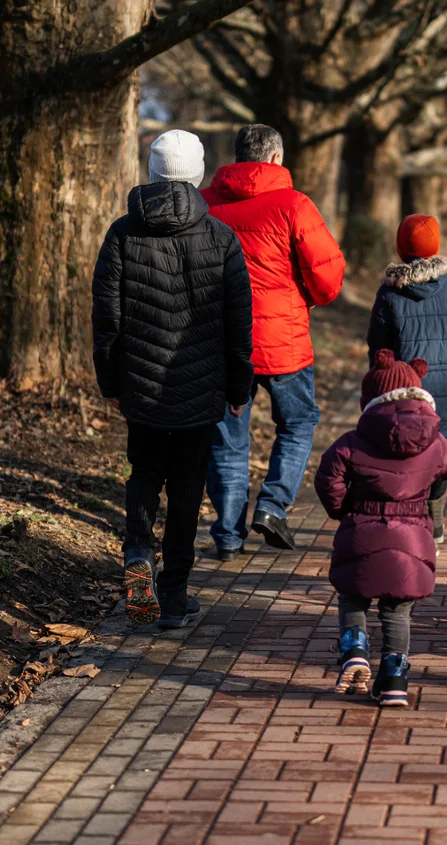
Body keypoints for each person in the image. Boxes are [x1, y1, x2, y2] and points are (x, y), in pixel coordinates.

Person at [92, 130, 254, 629]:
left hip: (141, 383)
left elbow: (107, 316)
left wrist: (111, 381)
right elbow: (238, 322)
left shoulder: (122, 232)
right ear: (199, 173)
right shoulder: (221, 237)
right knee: (186, 488)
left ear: (153, 169)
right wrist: (238, 387)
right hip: (202, 388)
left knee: (144, 474)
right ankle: (175, 594)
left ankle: (139, 553)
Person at [201, 124, 346, 559]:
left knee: (227, 440)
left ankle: (227, 536)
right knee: (299, 423)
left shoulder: (205, 205)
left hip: (223, 344)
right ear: (277, 159)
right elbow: (328, 274)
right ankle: (272, 505)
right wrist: (311, 297)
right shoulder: (294, 205)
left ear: (238, 157)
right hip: (283, 341)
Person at [314, 350, 447, 706]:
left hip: (362, 528)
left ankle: (354, 648)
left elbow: (329, 477)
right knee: (397, 610)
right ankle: (394, 680)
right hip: (413, 537)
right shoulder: (434, 442)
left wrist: (344, 511)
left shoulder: (353, 441)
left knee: (353, 595)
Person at [366, 213, 447, 543]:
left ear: (401, 248)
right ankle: (435, 503)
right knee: (440, 448)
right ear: (436, 247)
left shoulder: (389, 294)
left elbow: (378, 347)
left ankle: (411, 520)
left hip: (405, 390)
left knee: (406, 453)